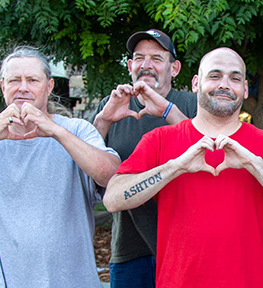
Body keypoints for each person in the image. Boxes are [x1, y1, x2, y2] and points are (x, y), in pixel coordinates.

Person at [103, 48, 263, 288]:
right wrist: (176, 167)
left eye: (234, 78)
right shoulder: (160, 140)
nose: (225, 84)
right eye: (214, 76)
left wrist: (255, 164)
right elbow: (113, 199)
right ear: (196, 83)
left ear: (245, 89)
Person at [0, 46, 120, 287]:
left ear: (49, 86)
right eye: (14, 80)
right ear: (2, 87)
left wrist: (55, 132)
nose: (23, 87)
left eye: (32, 80)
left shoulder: (76, 130)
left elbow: (111, 175)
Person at [91, 28, 197, 288]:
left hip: (186, 249)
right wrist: (103, 120)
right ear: (130, 66)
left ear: (174, 68)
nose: (146, 65)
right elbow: (86, 167)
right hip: (129, 250)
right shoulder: (113, 105)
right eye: (139, 58)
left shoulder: (192, 104)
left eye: (157, 58)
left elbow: (208, 153)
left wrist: (168, 111)